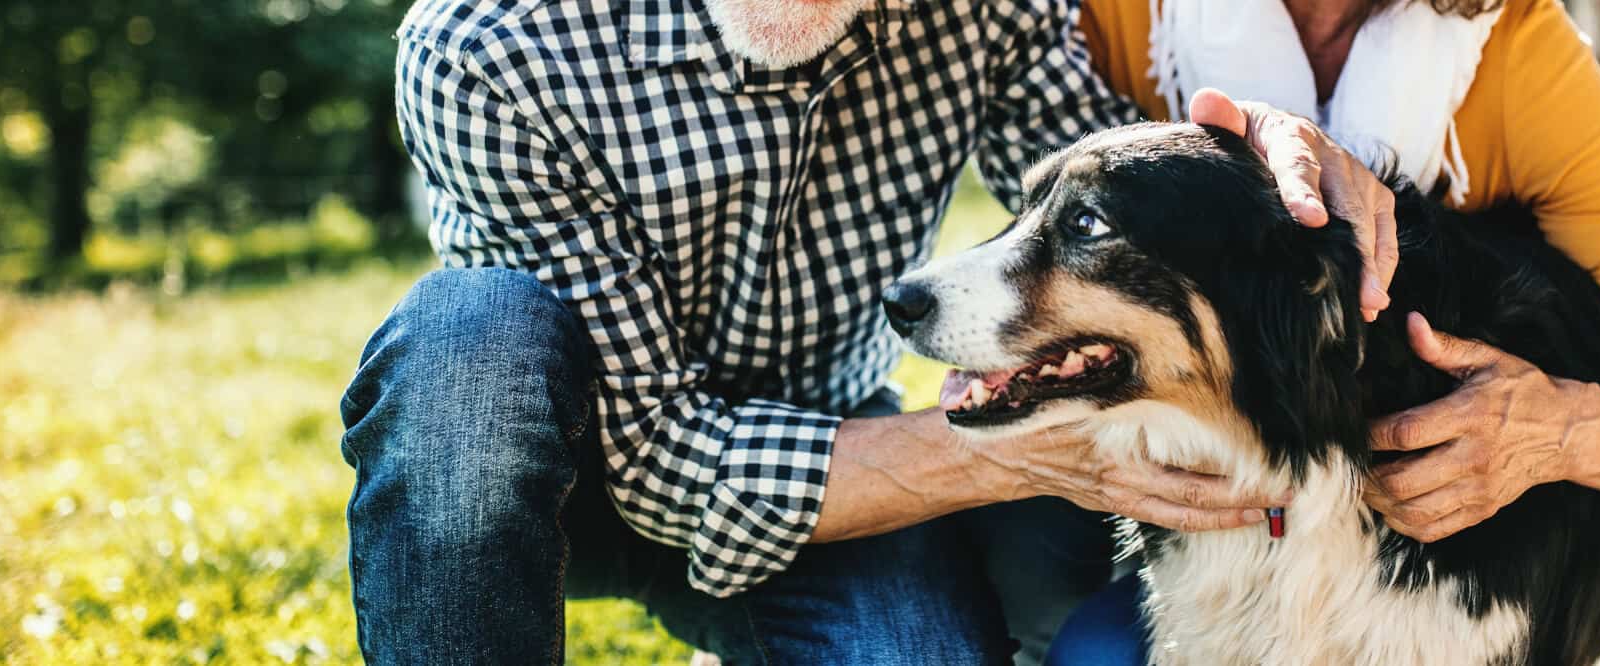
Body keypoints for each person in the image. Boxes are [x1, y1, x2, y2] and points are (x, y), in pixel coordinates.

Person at [340, 0, 1392, 663]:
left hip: (832, 469)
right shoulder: (490, 43)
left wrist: (1263, 150)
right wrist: (1030, 452)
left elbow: (1118, 192)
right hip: (545, 477)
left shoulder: (983, 11)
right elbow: (660, 465)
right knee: (467, 339)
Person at [1048, 0, 1600, 660]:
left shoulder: (1518, 52)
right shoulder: (1116, 19)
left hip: (1428, 563)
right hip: (1198, 529)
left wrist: (1556, 431)